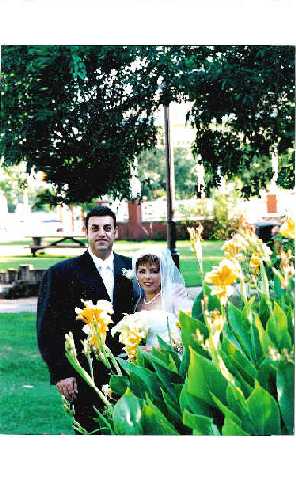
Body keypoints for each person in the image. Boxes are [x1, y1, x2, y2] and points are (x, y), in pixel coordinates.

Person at [37, 206, 138, 433]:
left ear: (116, 232)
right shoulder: (61, 273)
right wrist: (61, 373)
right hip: (86, 375)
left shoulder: (134, 268)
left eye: (107, 228)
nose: (101, 233)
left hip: (130, 372)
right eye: (95, 228)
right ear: (86, 232)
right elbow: (48, 329)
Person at [132, 248, 193, 346]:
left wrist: (158, 350)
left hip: (170, 358)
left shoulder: (174, 294)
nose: (147, 276)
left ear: (163, 273)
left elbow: (190, 334)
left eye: (154, 271)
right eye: (142, 271)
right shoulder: (137, 302)